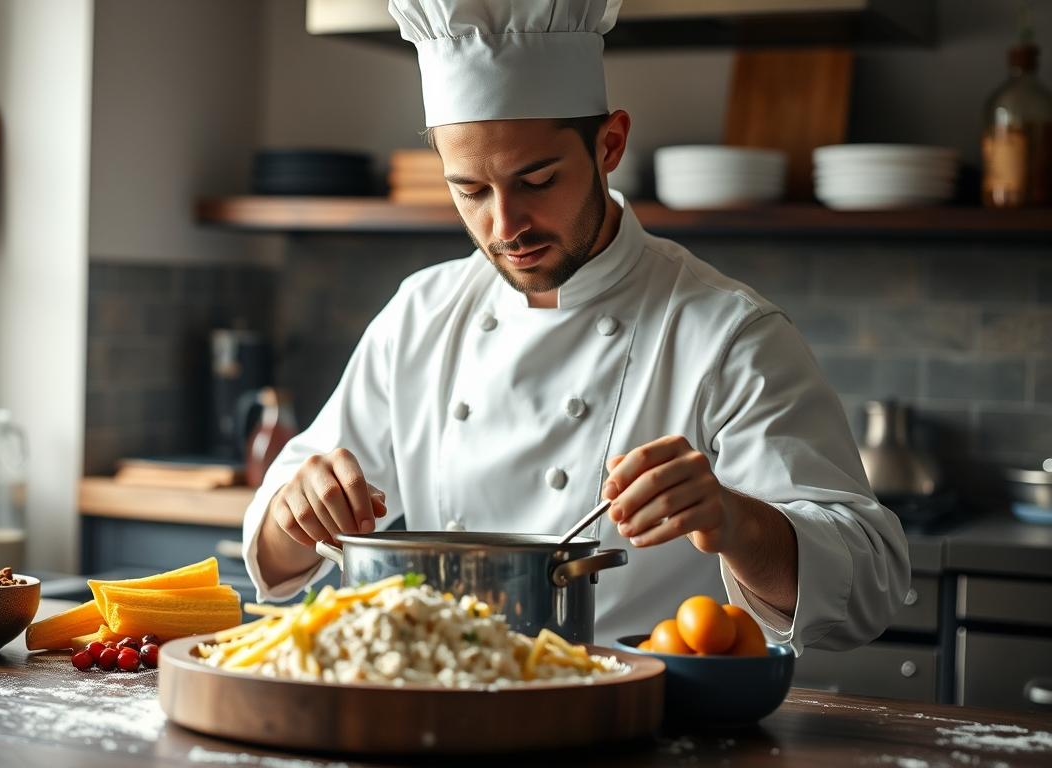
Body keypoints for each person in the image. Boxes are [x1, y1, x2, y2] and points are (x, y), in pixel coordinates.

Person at [240, 0, 909, 652]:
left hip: (642, 729)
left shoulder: (728, 334)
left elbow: (869, 582)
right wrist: (299, 509)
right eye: (470, 190)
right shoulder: (422, 314)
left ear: (610, 143)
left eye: (537, 180)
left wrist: (733, 518)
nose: (506, 228)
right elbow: (276, 547)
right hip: (447, 705)